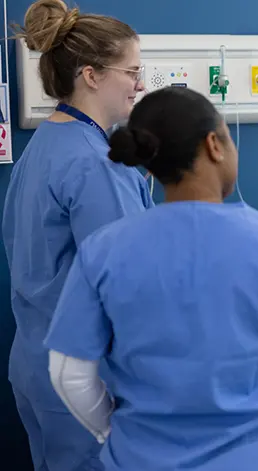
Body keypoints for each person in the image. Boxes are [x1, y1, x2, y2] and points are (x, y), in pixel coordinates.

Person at [41, 86, 258, 471]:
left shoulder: (103, 250)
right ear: (214, 145)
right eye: (229, 140)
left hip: (140, 458)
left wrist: (115, 433)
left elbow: (69, 375)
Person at [2, 1, 152, 469]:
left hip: (35, 365)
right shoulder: (95, 163)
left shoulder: (46, 144)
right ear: (91, 75)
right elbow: (127, 285)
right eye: (131, 71)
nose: (141, 84)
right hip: (85, 381)